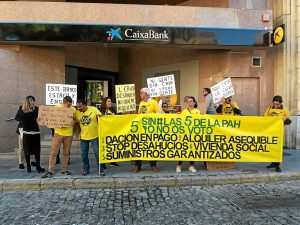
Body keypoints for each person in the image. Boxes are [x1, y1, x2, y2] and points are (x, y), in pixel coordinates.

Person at [42, 96, 76, 178]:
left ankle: (64, 170)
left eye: (70, 104)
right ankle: (50, 170)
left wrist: (73, 122)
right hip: (58, 134)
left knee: (66, 153)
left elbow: (75, 119)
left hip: (68, 134)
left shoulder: (73, 109)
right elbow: (50, 119)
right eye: (67, 104)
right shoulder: (56, 108)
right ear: (63, 103)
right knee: (54, 152)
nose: (69, 106)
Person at [132, 87, 161, 173]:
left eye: (141, 93)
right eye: (140, 93)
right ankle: (137, 166)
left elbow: (159, 113)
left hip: (150, 128)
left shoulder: (153, 102)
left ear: (146, 94)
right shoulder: (141, 103)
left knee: (151, 147)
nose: (140, 94)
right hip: (141, 129)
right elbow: (139, 114)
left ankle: (153, 165)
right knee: (139, 147)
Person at [15, 96, 45, 173]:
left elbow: (42, 118)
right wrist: (22, 122)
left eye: (32, 100)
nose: (31, 101)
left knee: (36, 149)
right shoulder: (22, 108)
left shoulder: (37, 109)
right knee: (24, 148)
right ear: (26, 101)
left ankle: (37, 165)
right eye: (30, 100)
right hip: (25, 131)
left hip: (35, 131)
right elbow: (17, 117)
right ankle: (23, 163)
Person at [76, 99, 105, 176]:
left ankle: (100, 169)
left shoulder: (93, 109)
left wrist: (100, 116)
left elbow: (101, 116)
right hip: (83, 136)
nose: (78, 108)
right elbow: (77, 123)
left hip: (95, 135)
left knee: (97, 153)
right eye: (77, 107)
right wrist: (77, 134)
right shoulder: (77, 113)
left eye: (80, 106)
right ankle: (86, 168)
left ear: (85, 105)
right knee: (84, 154)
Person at [264, 95, 291, 172]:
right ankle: (273, 163)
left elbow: (289, 121)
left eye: (278, 104)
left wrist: (285, 120)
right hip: (270, 132)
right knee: (271, 148)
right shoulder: (269, 109)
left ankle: (277, 165)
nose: (276, 105)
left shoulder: (284, 110)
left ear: (280, 103)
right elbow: (264, 118)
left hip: (279, 133)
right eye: (275, 104)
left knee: (277, 149)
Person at [176, 96, 200, 173]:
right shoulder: (184, 112)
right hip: (185, 134)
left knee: (192, 150)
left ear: (194, 103)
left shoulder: (198, 112)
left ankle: (191, 165)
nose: (189, 103)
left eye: (190, 101)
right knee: (183, 149)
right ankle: (179, 165)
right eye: (188, 101)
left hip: (193, 134)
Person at [99, 97, 119, 167]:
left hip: (113, 131)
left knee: (113, 147)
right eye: (108, 101)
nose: (110, 103)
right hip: (105, 132)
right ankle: (103, 163)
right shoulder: (101, 110)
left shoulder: (113, 110)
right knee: (105, 147)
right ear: (105, 103)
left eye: (110, 101)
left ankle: (113, 161)